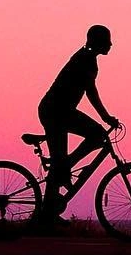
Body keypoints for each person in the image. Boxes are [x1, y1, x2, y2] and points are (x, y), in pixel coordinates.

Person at [37, 25, 121, 219]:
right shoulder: (85, 60)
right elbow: (91, 92)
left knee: (60, 161)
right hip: (56, 111)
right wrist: (105, 117)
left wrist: (105, 116)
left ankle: (48, 212)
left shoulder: (87, 58)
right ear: (97, 41)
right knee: (97, 136)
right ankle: (49, 208)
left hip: (60, 111)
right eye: (107, 40)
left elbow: (89, 90)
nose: (110, 44)